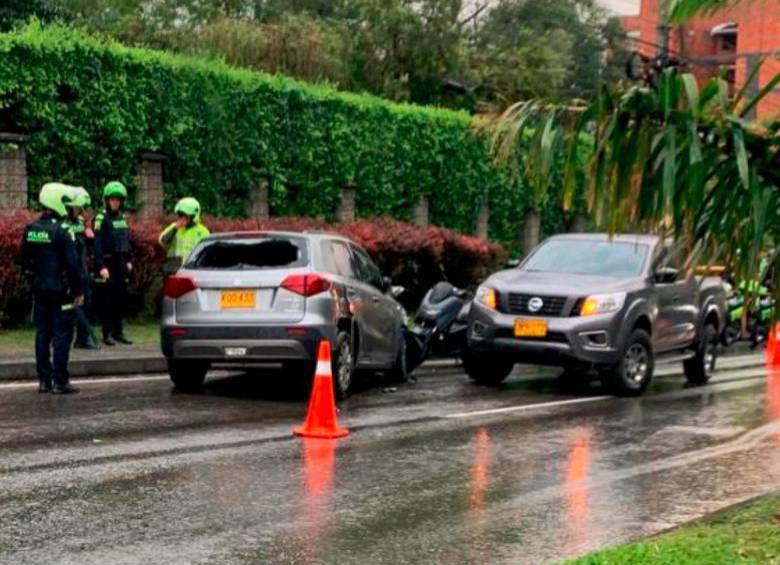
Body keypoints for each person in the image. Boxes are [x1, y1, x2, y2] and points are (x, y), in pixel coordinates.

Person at [20, 183, 84, 394]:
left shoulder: (31, 230)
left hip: (39, 289)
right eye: (65, 202)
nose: (67, 206)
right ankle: (60, 381)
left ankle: (43, 381)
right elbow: (73, 266)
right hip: (61, 291)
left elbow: (23, 260)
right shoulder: (63, 231)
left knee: (42, 333)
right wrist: (78, 291)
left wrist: (33, 279)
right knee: (62, 334)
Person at [93, 181, 133, 346]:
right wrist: (101, 266)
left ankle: (119, 332)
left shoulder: (122, 218)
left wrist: (129, 259)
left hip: (121, 262)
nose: (115, 202)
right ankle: (107, 333)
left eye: (118, 199)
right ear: (107, 200)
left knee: (120, 299)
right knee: (107, 300)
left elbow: (126, 240)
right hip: (108, 262)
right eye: (112, 199)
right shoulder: (101, 218)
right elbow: (97, 244)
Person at [63, 186, 99, 350]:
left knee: (87, 301)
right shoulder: (64, 224)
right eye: (77, 208)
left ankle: (82, 339)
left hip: (82, 268)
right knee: (72, 305)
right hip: (70, 269)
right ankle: (80, 337)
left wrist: (89, 234)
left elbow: (88, 248)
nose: (79, 210)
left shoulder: (80, 223)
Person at [158, 197, 210, 262]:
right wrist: (175, 229)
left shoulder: (202, 231)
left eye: (184, 215)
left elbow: (206, 252)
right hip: (175, 267)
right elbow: (163, 241)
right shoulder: (174, 227)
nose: (181, 218)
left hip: (193, 267)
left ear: (193, 216)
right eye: (180, 215)